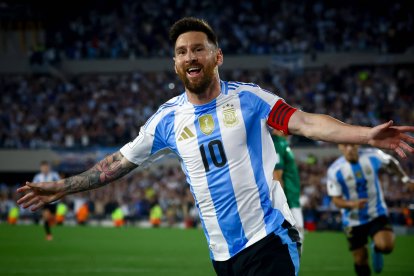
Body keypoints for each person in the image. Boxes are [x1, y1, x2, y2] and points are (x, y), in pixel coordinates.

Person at [17, 17, 414, 276]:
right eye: (181, 52)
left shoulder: (250, 100)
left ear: (217, 56)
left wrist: (366, 135)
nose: (190, 56)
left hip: (269, 239)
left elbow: (307, 122)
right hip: (222, 256)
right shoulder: (167, 120)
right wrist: (63, 187)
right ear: (175, 65)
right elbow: (118, 163)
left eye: (198, 48)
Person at [326, 144, 414, 276]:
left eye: (352, 145)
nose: (349, 148)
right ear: (339, 147)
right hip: (352, 220)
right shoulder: (335, 170)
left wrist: (405, 179)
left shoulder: (373, 155)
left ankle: (377, 249)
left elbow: (390, 162)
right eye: (345, 146)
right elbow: (336, 200)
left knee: (386, 246)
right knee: (360, 259)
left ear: (357, 144)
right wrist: (352, 204)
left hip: (376, 212)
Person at [272, 131, 304, 244]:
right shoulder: (276, 143)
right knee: (295, 240)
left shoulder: (282, 143)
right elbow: (276, 175)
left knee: (296, 239)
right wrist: (283, 206)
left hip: (293, 199)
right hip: (289, 202)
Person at [32, 161, 61, 241]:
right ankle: (48, 235)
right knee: (46, 217)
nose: (45, 168)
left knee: (51, 218)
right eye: (43, 167)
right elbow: (33, 187)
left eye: (46, 167)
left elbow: (60, 185)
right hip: (44, 200)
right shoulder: (38, 177)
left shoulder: (54, 175)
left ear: (49, 167)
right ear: (41, 168)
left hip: (54, 200)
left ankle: (49, 224)